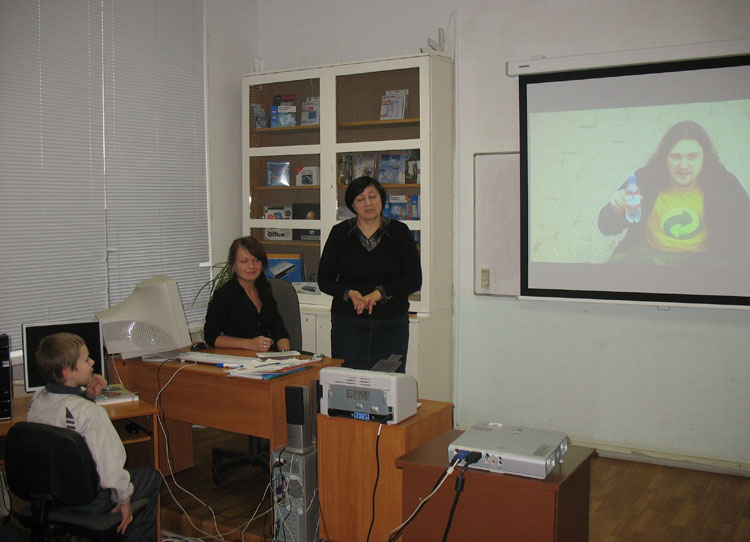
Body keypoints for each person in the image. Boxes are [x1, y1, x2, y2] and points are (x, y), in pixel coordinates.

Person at [26, 333, 161, 541]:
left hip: (51, 497)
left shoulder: (36, 402)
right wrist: (124, 500)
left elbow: (64, 413)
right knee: (151, 477)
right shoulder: (91, 414)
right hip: (89, 502)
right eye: (86, 360)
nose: (93, 363)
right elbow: (110, 470)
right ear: (68, 372)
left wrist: (87, 397)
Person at [598, 120, 750, 265]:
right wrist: (614, 211)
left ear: (705, 158)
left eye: (692, 157)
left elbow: (745, 231)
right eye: (676, 157)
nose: (683, 165)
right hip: (648, 255)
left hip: (705, 260)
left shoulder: (725, 184)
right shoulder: (645, 179)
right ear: (664, 158)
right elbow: (606, 227)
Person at [318, 176, 422, 372]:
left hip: (391, 324)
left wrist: (380, 293)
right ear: (352, 205)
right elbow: (324, 279)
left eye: (372, 196)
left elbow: (414, 279)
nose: (368, 203)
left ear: (382, 199)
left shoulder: (399, 232)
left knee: (388, 384)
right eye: (360, 199)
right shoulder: (340, 233)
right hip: (348, 324)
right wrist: (349, 293)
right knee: (348, 381)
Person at [204, 236, 291, 352]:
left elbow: (280, 331)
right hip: (239, 356)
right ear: (233, 265)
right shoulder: (223, 295)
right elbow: (211, 337)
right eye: (244, 261)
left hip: (269, 357)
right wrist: (247, 343)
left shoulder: (264, 289)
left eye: (256, 260)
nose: (251, 266)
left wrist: (286, 355)